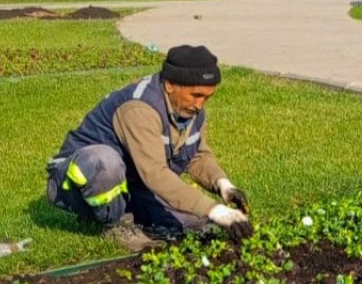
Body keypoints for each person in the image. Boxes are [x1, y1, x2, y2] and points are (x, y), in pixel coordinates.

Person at [45, 44, 253, 252]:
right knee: (104, 161)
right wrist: (214, 209)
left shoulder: (188, 111)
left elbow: (197, 154)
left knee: (194, 222)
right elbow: (154, 174)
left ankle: (127, 211)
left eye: (207, 97)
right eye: (196, 95)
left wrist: (223, 185)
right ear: (170, 84)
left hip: (132, 183)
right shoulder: (140, 108)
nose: (200, 105)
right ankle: (115, 225)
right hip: (74, 184)